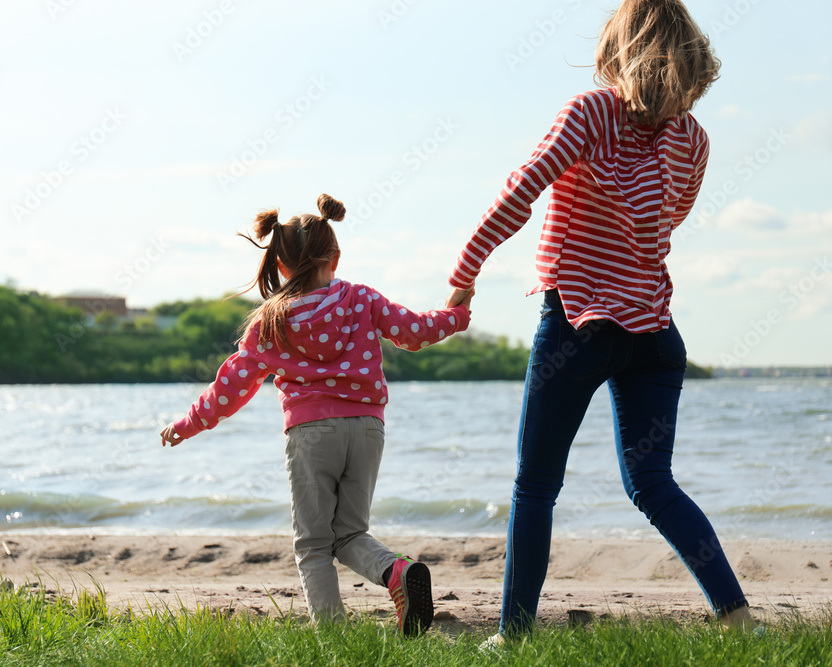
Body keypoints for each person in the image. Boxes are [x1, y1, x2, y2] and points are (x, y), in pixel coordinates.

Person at [444, 0, 755, 644]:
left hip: (579, 325)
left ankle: (514, 635)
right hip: (655, 333)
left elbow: (521, 190)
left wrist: (464, 274)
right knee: (653, 484)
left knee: (535, 486)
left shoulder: (591, 112)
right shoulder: (693, 137)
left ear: (619, 48)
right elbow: (670, 221)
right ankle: (739, 618)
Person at [161, 194, 473, 635]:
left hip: (311, 435)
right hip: (367, 429)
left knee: (313, 545)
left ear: (281, 265)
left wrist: (187, 424)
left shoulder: (272, 320)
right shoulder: (361, 299)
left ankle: (334, 639)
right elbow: (414, 332)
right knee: (350, 534)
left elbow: (231, 386)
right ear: (336, 257)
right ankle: (397, 573)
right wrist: (456, 315)